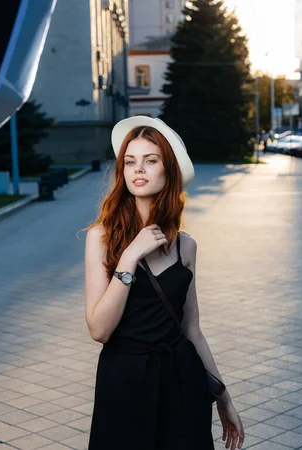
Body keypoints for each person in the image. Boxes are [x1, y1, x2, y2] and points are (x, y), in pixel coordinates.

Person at [85, 116, 245, 450]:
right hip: (124, 382)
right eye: (130, 162)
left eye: (150, 160)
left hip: (181, 383)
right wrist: (129, 256)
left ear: (167, 170)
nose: (138, 169)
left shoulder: (186, 246)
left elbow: (192, 330)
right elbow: (99, 330)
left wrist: (223, 398)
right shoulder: (102, 237)